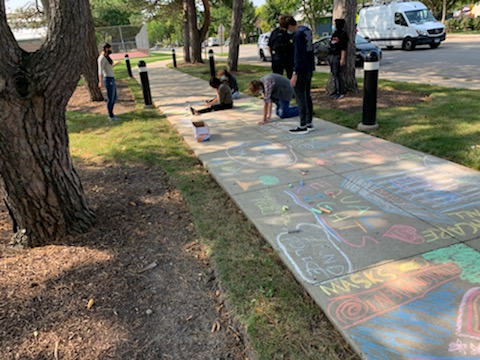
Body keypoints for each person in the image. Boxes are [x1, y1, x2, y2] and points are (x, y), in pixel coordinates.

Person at [286, 16, 315, 134]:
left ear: (289, 26)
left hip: (301, 69)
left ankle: (303, 125)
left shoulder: (297, 35)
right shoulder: (306, 30)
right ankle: (309, 122)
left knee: (300, 97)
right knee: (307, 95)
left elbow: (298, 55)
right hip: (309, 67)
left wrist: (295, 73)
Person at [98, 43, 121, 121]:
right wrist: (100, 82)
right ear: (106, 49)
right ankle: (110, 116)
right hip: (108, 79)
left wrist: (116, 64)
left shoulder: (106, 57)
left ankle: (112, 114)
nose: (111, 50)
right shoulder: (101, 58)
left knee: (114, 97)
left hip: (111, 78)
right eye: (110, 48)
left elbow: (109, 67)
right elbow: (100, 71)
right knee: (110, 98)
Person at [328, 18, 349, 99]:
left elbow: (343, 48)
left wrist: (342, 59)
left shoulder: (343, 35)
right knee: (333, 73)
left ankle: (340, 91)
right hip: (332, 56)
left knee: (337, 74)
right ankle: (335, 90)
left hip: (338, 56)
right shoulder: (335, 34)